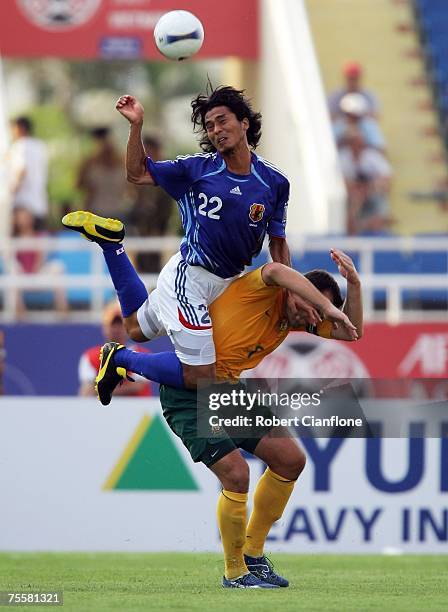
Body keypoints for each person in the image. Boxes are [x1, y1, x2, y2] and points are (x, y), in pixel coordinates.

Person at [91, 245, 362, 589]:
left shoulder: (296, 318)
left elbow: (351, 332)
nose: (312, 315)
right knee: (237, 474)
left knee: (290, 459)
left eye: (317, 311)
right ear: (296, 291)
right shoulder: (267, 288)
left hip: (226, 391)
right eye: (309, 304)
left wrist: (353, 283)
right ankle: (235, 572)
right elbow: (276, 270)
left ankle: (254, 556)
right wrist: (324, 305)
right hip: (188, 394)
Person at [63, 85, 345, 392]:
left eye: (223, 121)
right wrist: (136, 126)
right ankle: (120, 358)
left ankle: (111, 245)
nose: (216, 130)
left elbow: (277, 242)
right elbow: (136, 173)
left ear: (244, 123)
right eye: (210, 126)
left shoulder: (275, 182)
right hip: (192, 277)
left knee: (135, 328)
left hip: (229, 282)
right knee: (202, 376)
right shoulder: (196, 169)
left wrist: (291, 292)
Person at [78, 300, 151, 398]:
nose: (117, 329)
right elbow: (86, 390)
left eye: (120, 324)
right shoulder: (90, 357)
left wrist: (102, 390)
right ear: (105, 328)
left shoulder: (142, 355)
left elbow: (138, 386)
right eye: (113, 325)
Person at [127, 135, 174, 274]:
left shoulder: (167, 173)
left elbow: (166, 209)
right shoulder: (139, 176)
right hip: (140, 231)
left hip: (161, 231)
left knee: (162, 270)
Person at [12, 206, 68, 317]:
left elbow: (40, 258)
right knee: (13, 269)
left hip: (38, 273)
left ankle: (63, 312)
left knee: (58, 267)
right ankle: (19, 314)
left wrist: (35, 272)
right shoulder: (13, 239)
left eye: (26, 217)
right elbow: (12, 259)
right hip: (22, 276)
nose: (24, 220)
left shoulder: (41, 237)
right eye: (21, 217)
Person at [338, 127, 393, 234]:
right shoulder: (343, 157)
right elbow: (340, 180)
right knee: (354, 199)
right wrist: (355, 188)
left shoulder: (372, 156)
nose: (358, 145)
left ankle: (377, 222)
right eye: (354, 142)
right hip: (352, 194)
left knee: (379, 194)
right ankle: (353, 227)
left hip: (372, 191)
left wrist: (369, 187)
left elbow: (387, 177)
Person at [77, 127, 132, 220]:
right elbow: (79, 185)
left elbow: (131, 187)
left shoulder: (123, 162)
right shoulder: (89, 163)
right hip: (95, 211)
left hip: (119, 211)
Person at [8, 116, 48, 229]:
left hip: (23, 204)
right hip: (39, 204)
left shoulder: (20, 146)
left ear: (20, 128)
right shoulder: (40, 146)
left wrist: (10, 192)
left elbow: (21, 170)